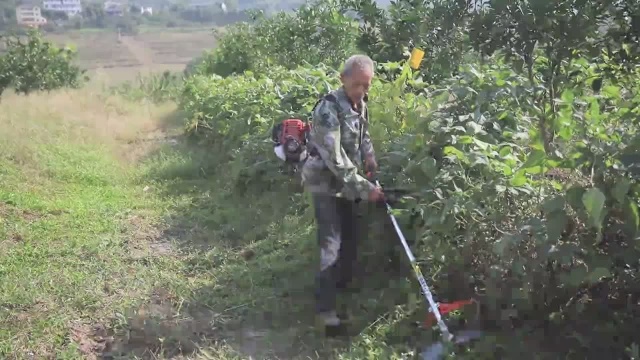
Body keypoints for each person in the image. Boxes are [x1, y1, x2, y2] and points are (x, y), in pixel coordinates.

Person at [301, 54, 385, 335]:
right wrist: (365, 188)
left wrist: (369, 157)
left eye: (367, 85)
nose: (362, 91)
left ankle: (343, 295)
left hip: (348, 184)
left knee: (351, 239)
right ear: (343, 79)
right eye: (357, 85)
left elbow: (364, 135)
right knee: (331, 243)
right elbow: (335, 159)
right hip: (325, 183)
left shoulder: (360, 103)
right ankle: (326, 313)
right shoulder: (328, 109)